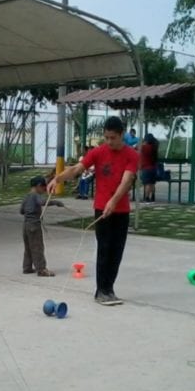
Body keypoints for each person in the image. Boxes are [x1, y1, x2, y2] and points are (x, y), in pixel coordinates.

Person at [49, 116, 138, 305]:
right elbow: (76, 169)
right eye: (106, 137)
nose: (109, 141)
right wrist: (57, 179)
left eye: (113, 137)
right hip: (101, 209)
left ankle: (110, 289)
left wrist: (113, 201)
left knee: (117, 251)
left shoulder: (131, 155)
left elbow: (127, 180)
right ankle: (100, 291)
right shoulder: (98, 152)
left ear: (122, 135)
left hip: (121, 210)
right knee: (104, 248)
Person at [20, 175, 64, 276]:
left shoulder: (26, 196)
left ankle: (27, 267)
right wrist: (55, 202)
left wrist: (29, 211)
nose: (44, 189)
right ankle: (41, 269)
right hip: (34, 225)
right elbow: (42, 202)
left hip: (26, 225)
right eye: (44, 187)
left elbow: (21, 211)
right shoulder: (35, 195)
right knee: (37, 247)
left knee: (28, 247)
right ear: (38, 186)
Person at [140, 133, 159, 203]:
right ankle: (153, 197)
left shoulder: (145, 147)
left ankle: (147, 198)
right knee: (152, 183)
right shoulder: (154, 147)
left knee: (147, 184)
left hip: (146, 168)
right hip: (153, 168)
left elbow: (136, 147)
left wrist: (142, 143)